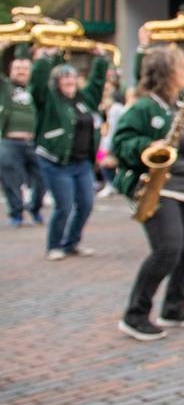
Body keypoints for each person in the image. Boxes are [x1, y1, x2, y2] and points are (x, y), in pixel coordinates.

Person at [111, 47, 184, 341]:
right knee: (168, 249)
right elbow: (122, 142)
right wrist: (146, 147)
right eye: (181, 69)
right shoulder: (145, 107)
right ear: (167, 74)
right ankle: (135, 314)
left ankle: (174, 307)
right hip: (159, 186)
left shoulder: (181, 104)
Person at [30, 48, 110, 260]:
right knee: (64, 205)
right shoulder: (49, 99)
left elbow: (97, 83)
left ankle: (71, 243)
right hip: (55, 161)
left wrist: (101, 59)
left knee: (86, 203)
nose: (69, 81)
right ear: (56, 81)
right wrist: (44, 59)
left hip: (81, 162)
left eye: (72, 77)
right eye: (64, 77)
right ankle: (54, 245)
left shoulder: (84, 99)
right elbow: (37, 84)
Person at [1, 54, 44, 227]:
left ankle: (34, 208)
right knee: (11, 180)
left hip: (33, 142)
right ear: (10, 71)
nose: (21, 72)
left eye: (25, 68)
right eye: (17, 68)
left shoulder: (35, 89)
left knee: (42, 178)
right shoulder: (5, 87)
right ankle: (16, 213)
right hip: (10, 141)